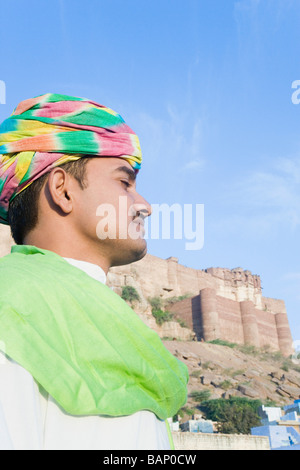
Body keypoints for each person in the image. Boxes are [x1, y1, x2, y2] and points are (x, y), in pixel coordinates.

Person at [0, 93, 188, 450]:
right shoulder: (11, 305)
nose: (144, 205)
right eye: (125, 183)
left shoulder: (101, 313)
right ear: (63, 190)